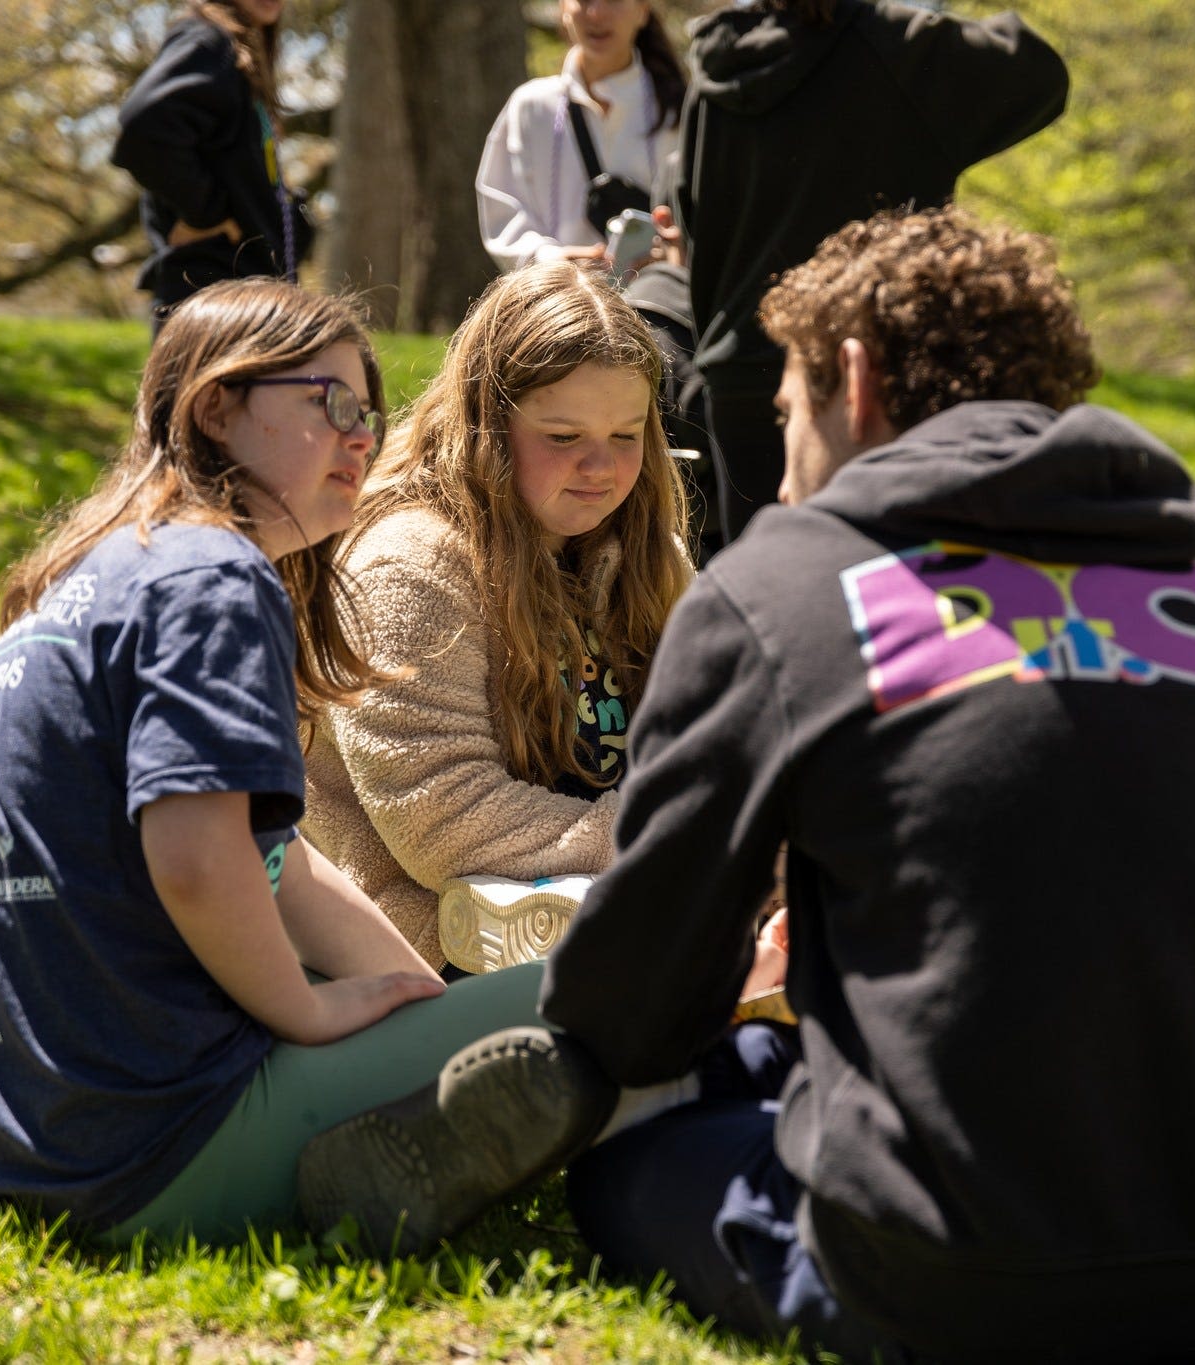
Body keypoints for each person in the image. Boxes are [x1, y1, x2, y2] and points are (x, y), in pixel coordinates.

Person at [308, 209, 1195, 1362]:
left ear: (850, 382)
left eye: (782, 411)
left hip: (944, 1281)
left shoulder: (794, 585)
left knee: (635, 1145)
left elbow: (641, 990)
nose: (785, 455)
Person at [0, 279, 554, 1245]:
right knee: (629, 990)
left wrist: (414, 1006)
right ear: (216, 407)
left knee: (505, 1017)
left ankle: (403, 1142)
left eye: (369, 413)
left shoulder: (97, 578)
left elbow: (273, 858)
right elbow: (200, 861)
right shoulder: (214, 575)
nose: (363, 437)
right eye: (329, 402)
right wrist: (309, 1012)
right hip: (155, 1152)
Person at [301, 263, 694, 974]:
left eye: (627, 435)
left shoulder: (642, 550)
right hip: (430, 951)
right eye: (564, 437)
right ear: (487, 421)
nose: (601, 468)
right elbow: (443, 819)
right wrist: (674, 832)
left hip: (619, 898)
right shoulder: (406, 565)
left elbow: (710, 734)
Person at [673, 0, 1069, 543]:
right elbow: (1037, 70)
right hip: (870, 383)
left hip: (738, 376)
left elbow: (692, 217)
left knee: (770, 597)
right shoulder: (897, 47)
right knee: (881, 593)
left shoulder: (717, 66)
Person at [113, 0, 314, 331]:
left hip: (242, 301)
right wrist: (207, 214)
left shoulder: (237, 51)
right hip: (211, 305)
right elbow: (144, 129)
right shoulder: (208, 41)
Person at [476, 0, 686, 272]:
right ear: (563, 9)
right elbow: (502, 211)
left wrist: (671, 258)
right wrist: (547, 260)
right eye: (583, 0)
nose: (596, 13)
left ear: (643, 10)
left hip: (653, 307)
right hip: (561, 307)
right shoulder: (531, 106)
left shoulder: (677, 110)